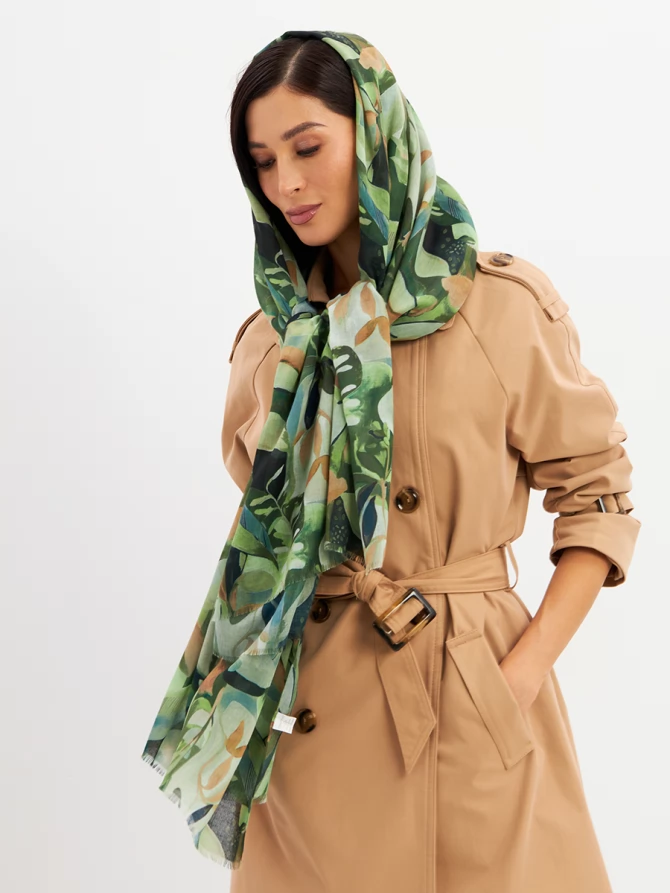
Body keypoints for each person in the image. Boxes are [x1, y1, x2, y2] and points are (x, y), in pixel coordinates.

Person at [141, 30, 641, 893]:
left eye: (307, 147)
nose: (286, 183)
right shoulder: (270, 343)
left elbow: (597, 498)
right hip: (308, 720)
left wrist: (513, 679)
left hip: (466, 697)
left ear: (375, 134)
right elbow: (269, 539)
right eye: (263, 162)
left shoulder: (498, 310)